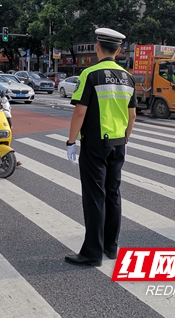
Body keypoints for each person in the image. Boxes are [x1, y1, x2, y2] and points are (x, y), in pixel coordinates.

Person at [64, 28, 137, 267]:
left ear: (98, 48)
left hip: (95, 143)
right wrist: (124, 138)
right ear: (118, 50)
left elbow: (80, 111)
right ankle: (111, 247)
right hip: (118, 143)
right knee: (113, 194)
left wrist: (71, 141)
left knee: (95, 197)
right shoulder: (127, 77)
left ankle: (92, 252)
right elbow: (132, 115)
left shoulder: (91, 73)